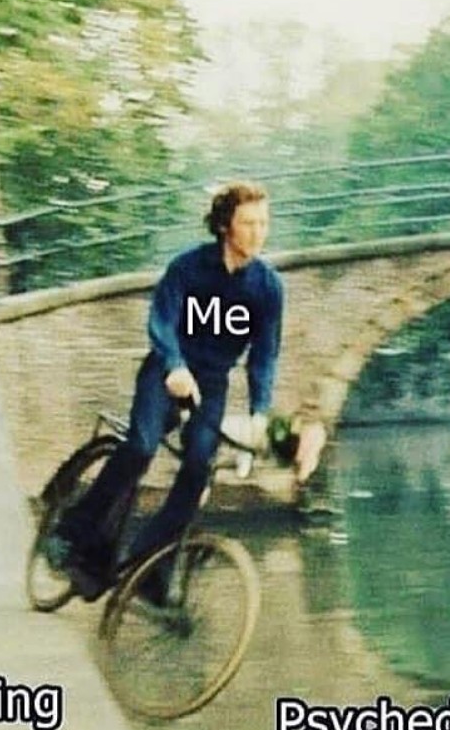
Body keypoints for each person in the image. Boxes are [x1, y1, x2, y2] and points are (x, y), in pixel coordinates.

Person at [48, 181, 284, 604]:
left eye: (263, 223)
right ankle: (72, 531)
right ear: (225, 225)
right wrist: (175, 365)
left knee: (198, 469)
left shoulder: (267, 288)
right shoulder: (187, 268)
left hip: (211, 383)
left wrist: (259, 413)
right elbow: (162, 321)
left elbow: (264, 356)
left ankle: (148, 566)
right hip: (166, 370)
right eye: (248, 223)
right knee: (141, 446)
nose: (258, 232)